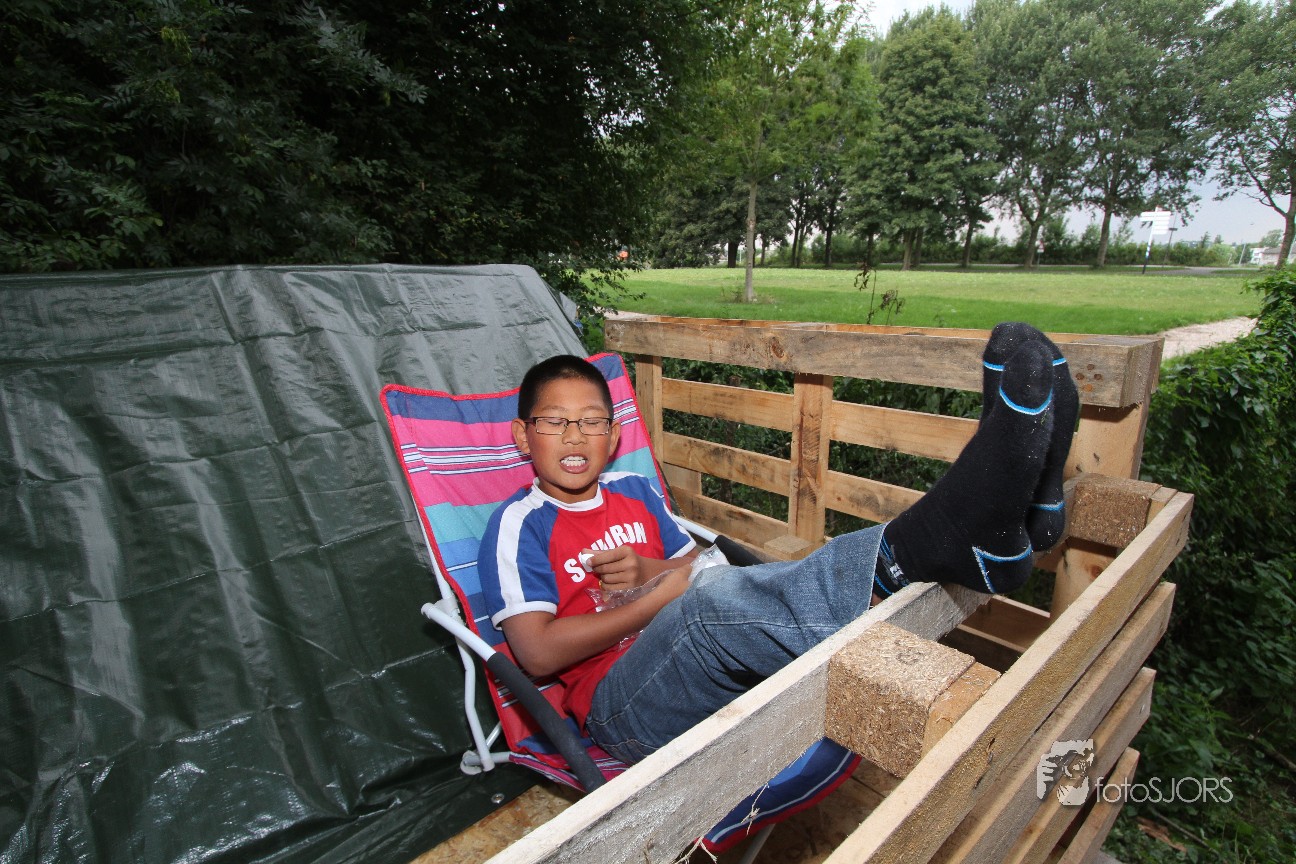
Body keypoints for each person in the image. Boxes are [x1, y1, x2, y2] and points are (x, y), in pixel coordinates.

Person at [478, 322, 1079, 766]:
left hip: (706, 667)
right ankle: (932, 543)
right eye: (554, 421)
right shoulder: (519, 526)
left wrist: (649, 570)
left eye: (592, 421)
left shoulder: (632, 491)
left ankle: (1014, 516)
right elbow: (537, 655)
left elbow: (693, 565)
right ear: (522, 435)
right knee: (709, 607)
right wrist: (656, 599)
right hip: (622, 709)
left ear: (613, 437)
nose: (575, 435)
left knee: (729, 587)